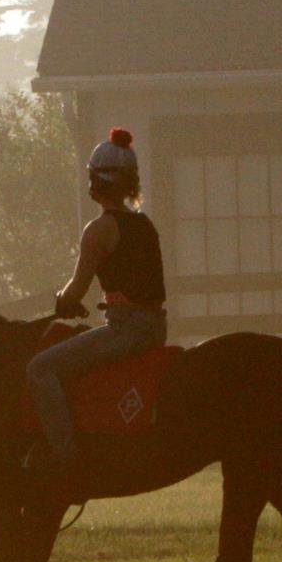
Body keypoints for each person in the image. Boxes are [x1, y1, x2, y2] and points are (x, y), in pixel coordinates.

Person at [24, 129, 169, 476]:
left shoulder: (99, 229)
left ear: (95, 183)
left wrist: (63, 300)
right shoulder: (144, 223)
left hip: (126, 329)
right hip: (154, 326)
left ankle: (65, 457)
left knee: (40, 369)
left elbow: (76, 290)